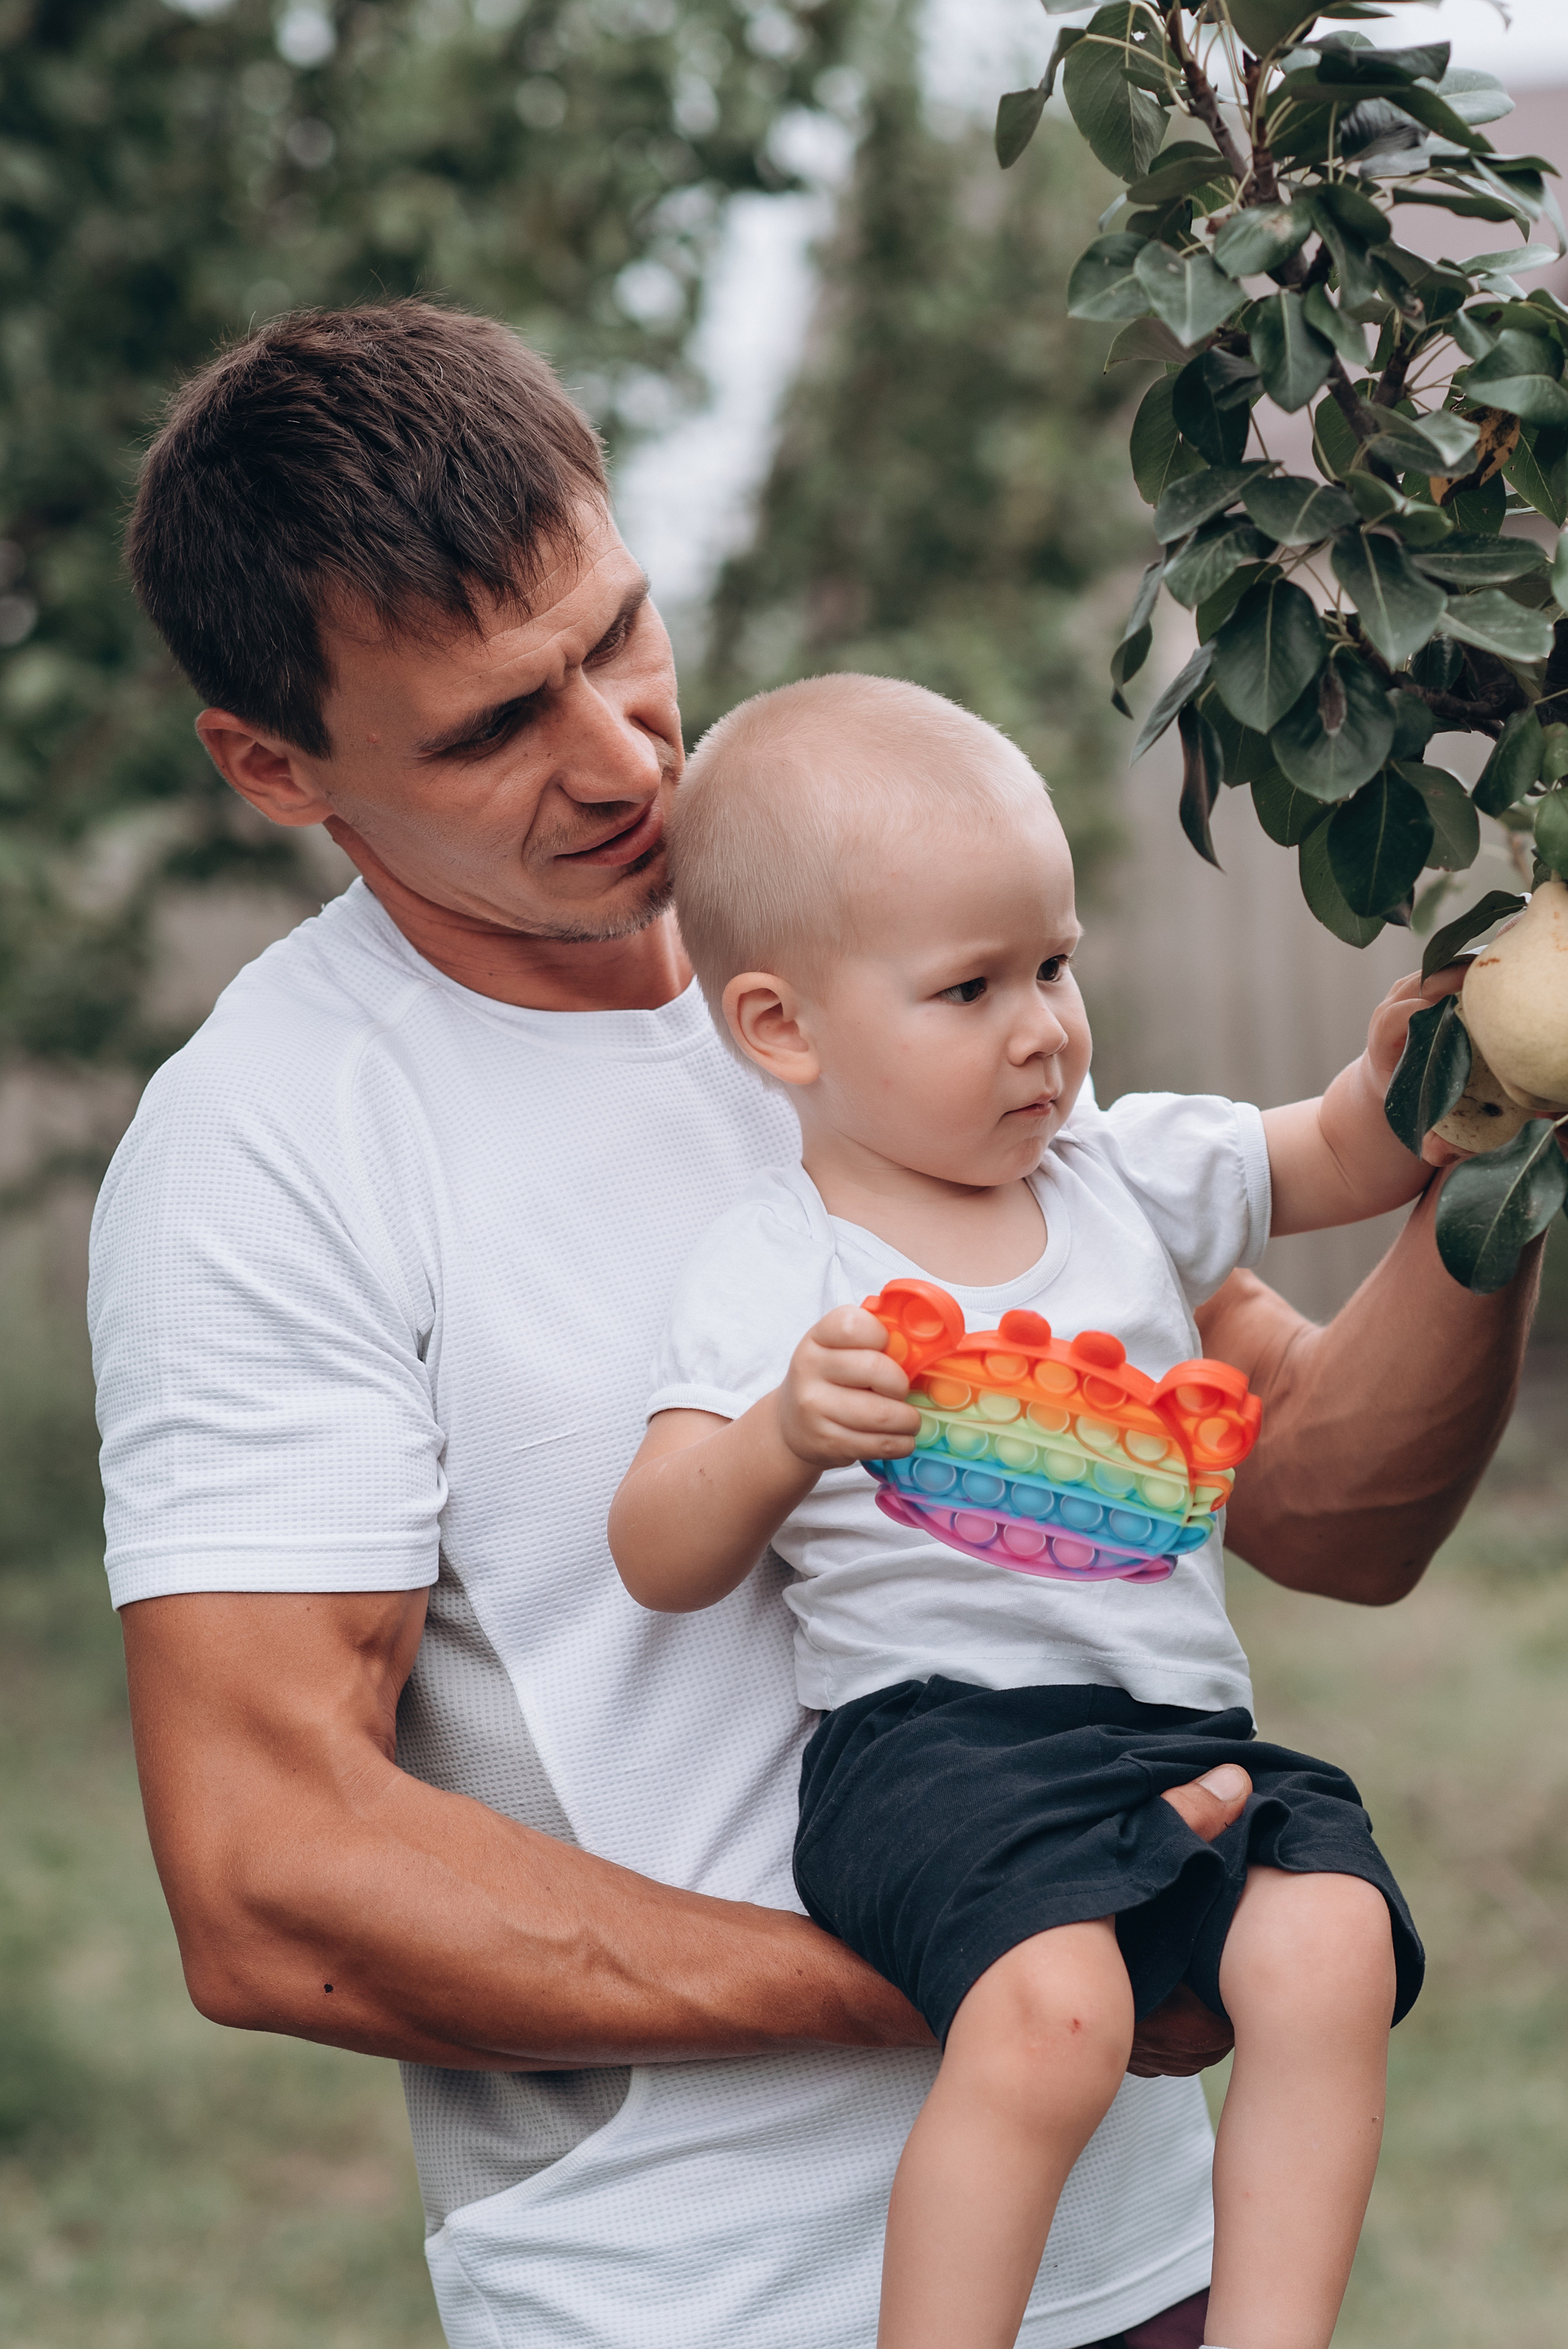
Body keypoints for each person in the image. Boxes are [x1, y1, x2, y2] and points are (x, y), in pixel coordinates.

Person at [90, 302, 1543, 2349]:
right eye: (496, 726)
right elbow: (268, 1882)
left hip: (1148, 2269)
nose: (618, 759)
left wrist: (1495, 1155)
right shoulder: (270, 1150)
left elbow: (1318, 1500)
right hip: (697, 2295)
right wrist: (984, 1945)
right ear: (274, 765)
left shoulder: (874, 939)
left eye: (618, 636)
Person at [609, 675, 1430, 2349]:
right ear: (785, 1029)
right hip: (932, 1748)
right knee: (1056, 2011)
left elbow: (1334, 1149)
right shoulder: (785, 1263)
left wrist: (1418, 1078)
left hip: (1162, 1728)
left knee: (1333, 1937)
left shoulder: (1117, 1173)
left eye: (1052, 963)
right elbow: (659, 1544)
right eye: (970, 987)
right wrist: (779, 1436)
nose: (1044, 1025)